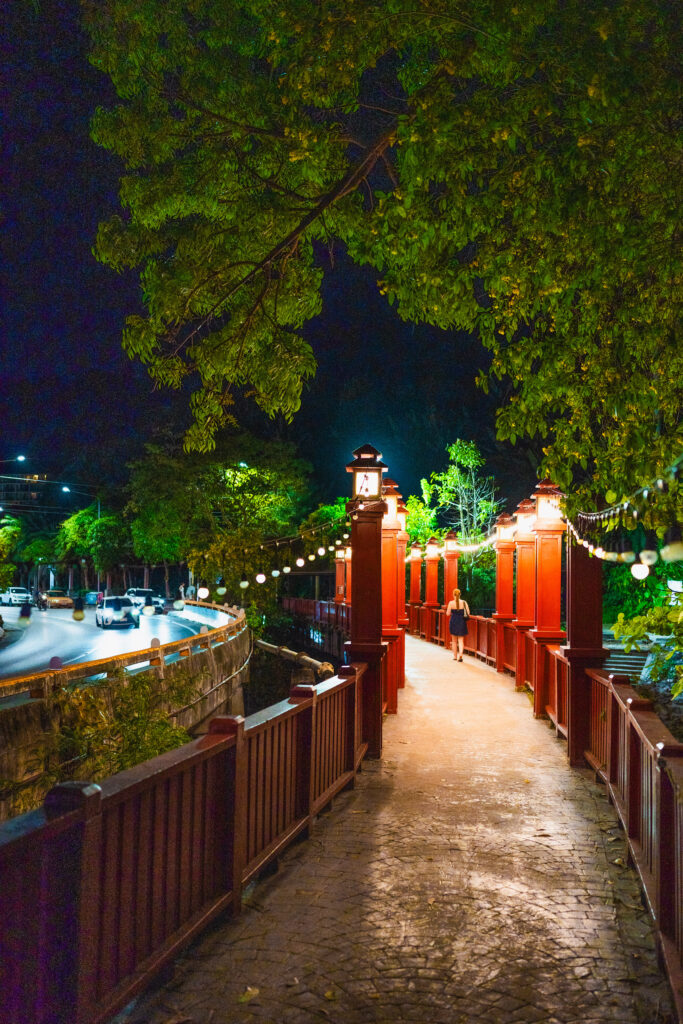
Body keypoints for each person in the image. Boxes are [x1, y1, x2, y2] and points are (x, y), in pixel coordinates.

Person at [446, 588, 470, 662]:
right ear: (460, 594)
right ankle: (461, 655)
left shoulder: (451, 603)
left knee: (454, 641)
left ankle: (455, 656)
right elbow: (468, 613)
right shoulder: (464, 602)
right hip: (462, 622)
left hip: (453, 621)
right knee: (461, 640)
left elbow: (448, 614)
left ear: (453, 595)